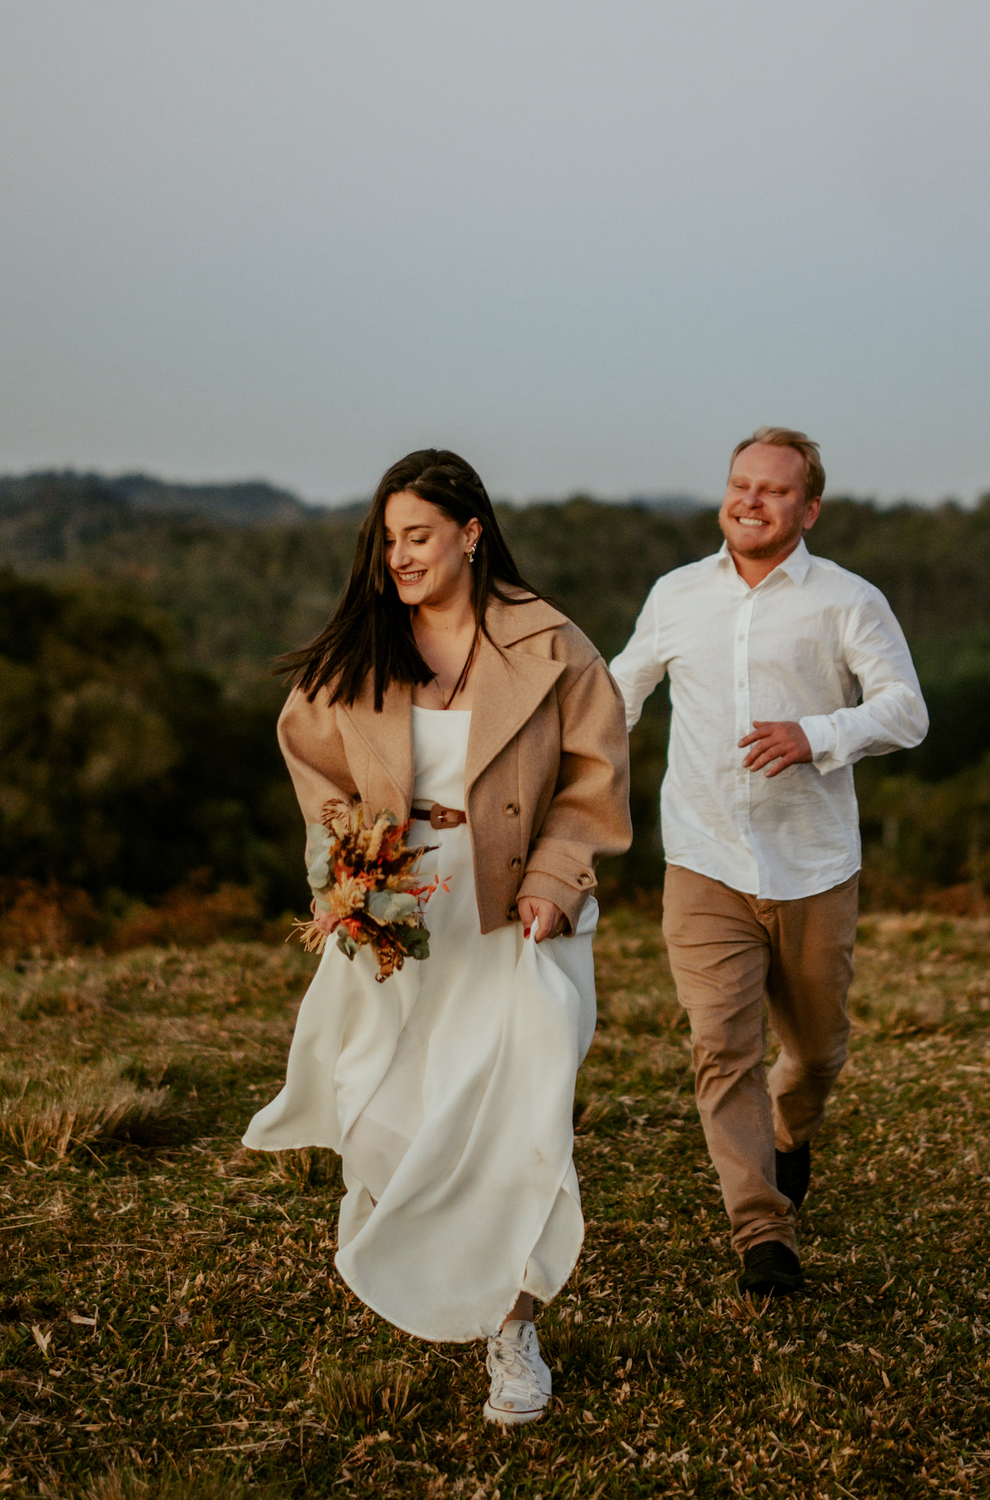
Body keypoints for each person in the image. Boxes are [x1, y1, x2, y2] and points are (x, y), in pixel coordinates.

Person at [243, 449, 631, 1423]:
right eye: (387, 541)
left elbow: (594, 777)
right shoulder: (360, 655)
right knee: (392, 1117)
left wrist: (554, 879)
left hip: (517, 919)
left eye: (418, 536)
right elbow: (314, 765)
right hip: (403, 921)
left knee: (522, 1116)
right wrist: (348, 870)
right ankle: (426, 1253)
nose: (399, 557)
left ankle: (513, 1331)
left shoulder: (551, 645)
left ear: (471, 532)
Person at [609, 427, 927, 1299]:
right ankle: (762, 1233)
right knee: (721, 1048)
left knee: (817, 1053)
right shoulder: (675, 595)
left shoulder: (846, 600)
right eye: (740, 484)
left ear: (809, 508)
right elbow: (617, 695)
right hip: (703, 858)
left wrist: (817, 734)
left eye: (774, 490)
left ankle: (791, 1135)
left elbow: (906, 711)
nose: (750, 500)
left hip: (813, 869)